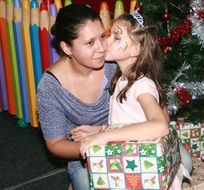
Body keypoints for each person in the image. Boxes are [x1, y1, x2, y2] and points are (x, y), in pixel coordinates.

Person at [72, 11, 192, 189]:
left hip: (147, 170)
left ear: (136, 49)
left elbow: (160, 125)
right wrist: (99, 130)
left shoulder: (141, 86)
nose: (107, 41)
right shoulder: (123, 78)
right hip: (134, 161)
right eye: (109, 34)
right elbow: (132, 122)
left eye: (117, 38)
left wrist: (104, 137)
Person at [36, 4, 117, 190]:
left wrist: (104, 134)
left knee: (181, 163)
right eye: (90, 43)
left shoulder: (115, 62)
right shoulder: (50, 88)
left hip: (132, 135)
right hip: (86, 154)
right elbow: (55, 143)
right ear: (67, 47)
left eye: (102, 37)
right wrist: (95, 145)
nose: (101, 48)